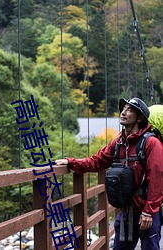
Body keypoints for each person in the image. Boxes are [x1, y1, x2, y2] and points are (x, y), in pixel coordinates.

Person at [55, 97, 163, 250]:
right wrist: (71, 162)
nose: (123, 112)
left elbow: (157, 179)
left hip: (146, 212)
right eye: (123, 109)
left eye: (129, 110)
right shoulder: (118, 143)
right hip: (126, 211)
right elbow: (97, 161)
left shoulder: (152, 144)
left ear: (139, 118)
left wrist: (149, 212)